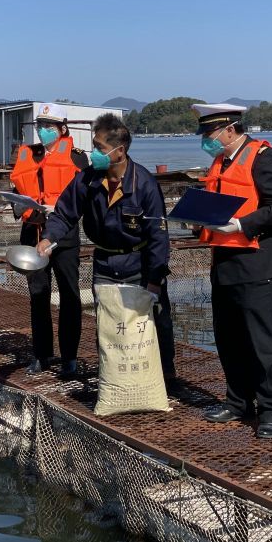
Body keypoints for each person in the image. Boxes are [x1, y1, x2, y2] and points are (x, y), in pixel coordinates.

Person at [37, 113, 176, 379]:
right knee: (110, 326)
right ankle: (114, 378)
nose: (94, 153)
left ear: (119, 151)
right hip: (104, 262)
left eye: (99, 148)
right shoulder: (88, 179)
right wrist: (48, 237)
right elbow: (65, 213)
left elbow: (159, 235)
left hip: (139, 262)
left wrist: (156, 279)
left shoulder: (144, 184)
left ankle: (165, 378)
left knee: (153, 323)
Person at [190, 103, 272, 439]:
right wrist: (198, 221)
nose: (207, 140)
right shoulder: (219, 161)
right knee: (229, 337)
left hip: (256, 261)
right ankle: (238, 401)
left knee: (261, 340)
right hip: (224, 262)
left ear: (229, 129)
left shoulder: (264, 156)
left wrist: (242, 224)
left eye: (210, 133)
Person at [10, 103, 88, 376]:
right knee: (38, 296)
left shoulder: (78, 159)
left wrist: (61, 210)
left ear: (62, 129)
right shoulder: (27, 156)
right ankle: (42, 355)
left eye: (49, 127)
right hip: (33, 233)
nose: (43, 132)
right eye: (40, 127)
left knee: (70, 295)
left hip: (64, 235)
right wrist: (18, 206)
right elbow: (16, 191)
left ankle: (70, 357)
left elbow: (83, 199)